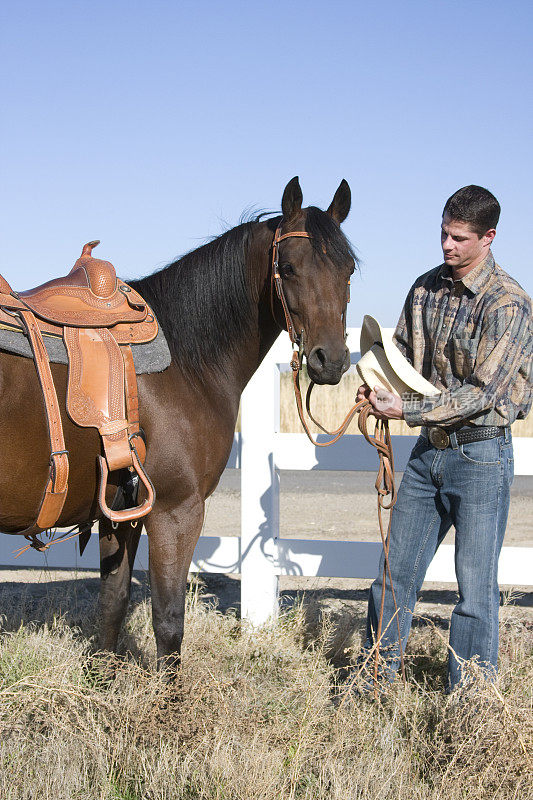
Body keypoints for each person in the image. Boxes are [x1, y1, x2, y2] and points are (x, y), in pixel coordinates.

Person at [356, 185, 532, 691]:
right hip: (426, 454)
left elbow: (482, 394)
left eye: (458, 237)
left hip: (480, 454)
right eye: (442, 233)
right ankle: (375, 683)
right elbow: (402, 357)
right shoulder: (424, 288)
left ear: (488, 237)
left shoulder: (510, 304)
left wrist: (405, 409)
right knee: (393, 578)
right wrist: (378, 384)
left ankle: (471, 704)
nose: (446, 245)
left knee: (475, 591)